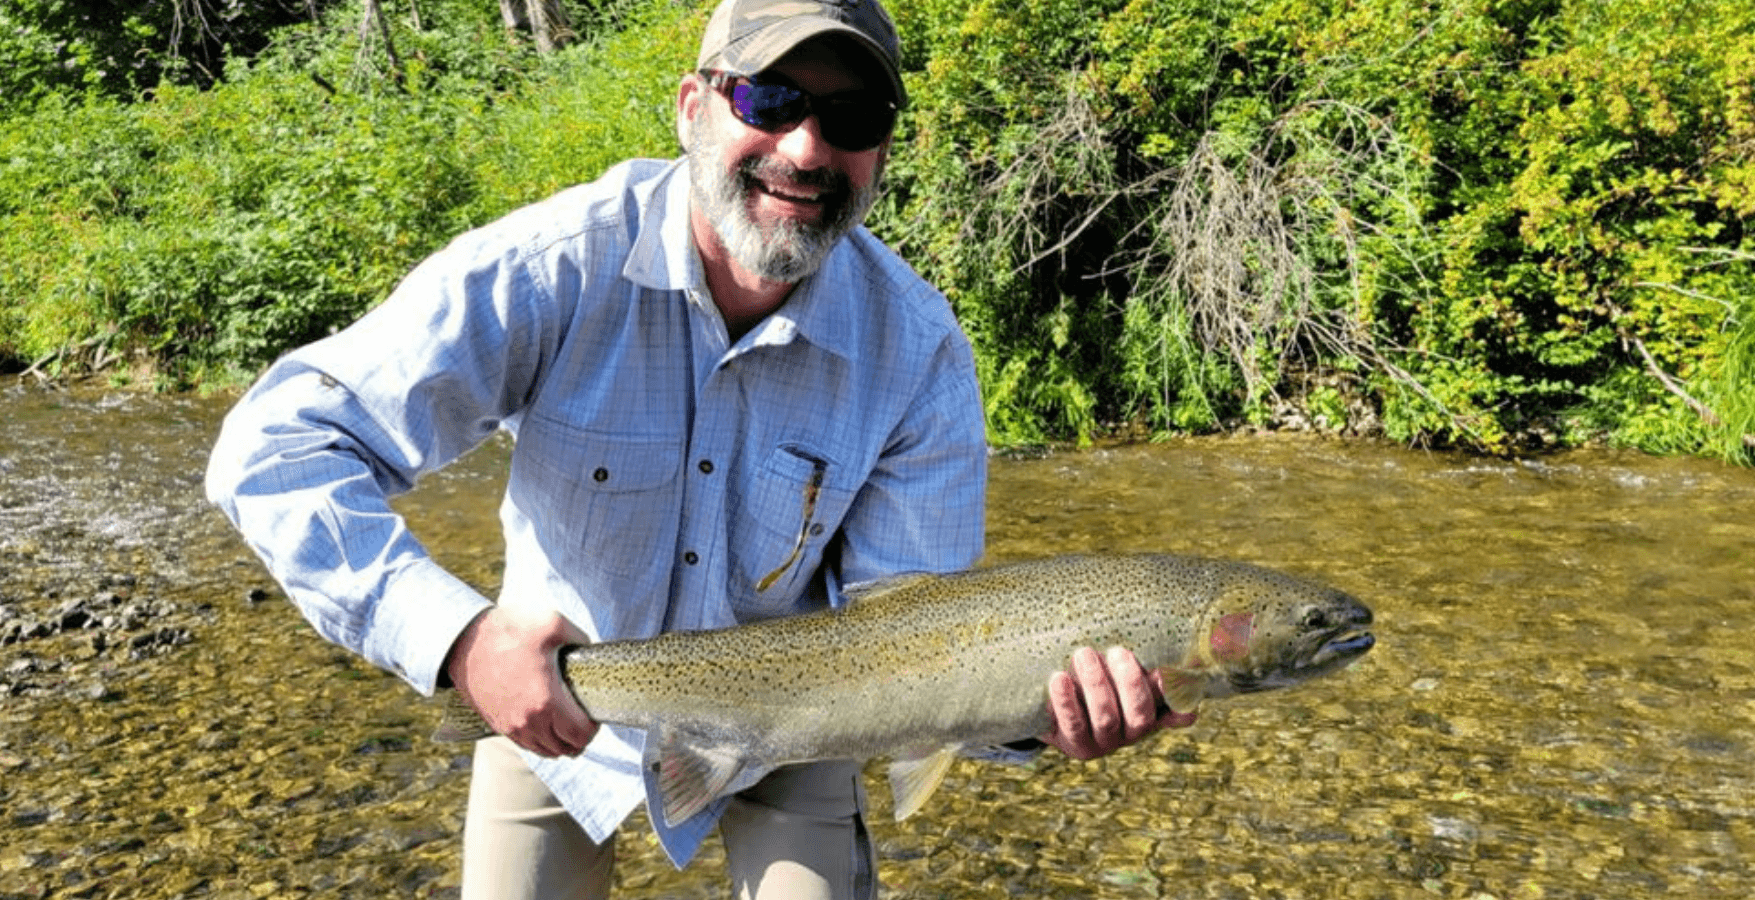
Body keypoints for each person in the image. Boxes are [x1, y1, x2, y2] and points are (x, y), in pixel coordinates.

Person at [205, 0, 1195, 897]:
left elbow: (917, 635)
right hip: (552, 696)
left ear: (882, 154)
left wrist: (1031, 710)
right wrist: (462, 643)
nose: (806, 149)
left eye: (850, 121)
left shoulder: (919, 352)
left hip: (801, 732)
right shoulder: (548, 272)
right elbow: (274, 443)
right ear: (692, 108)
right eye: (770, 99)